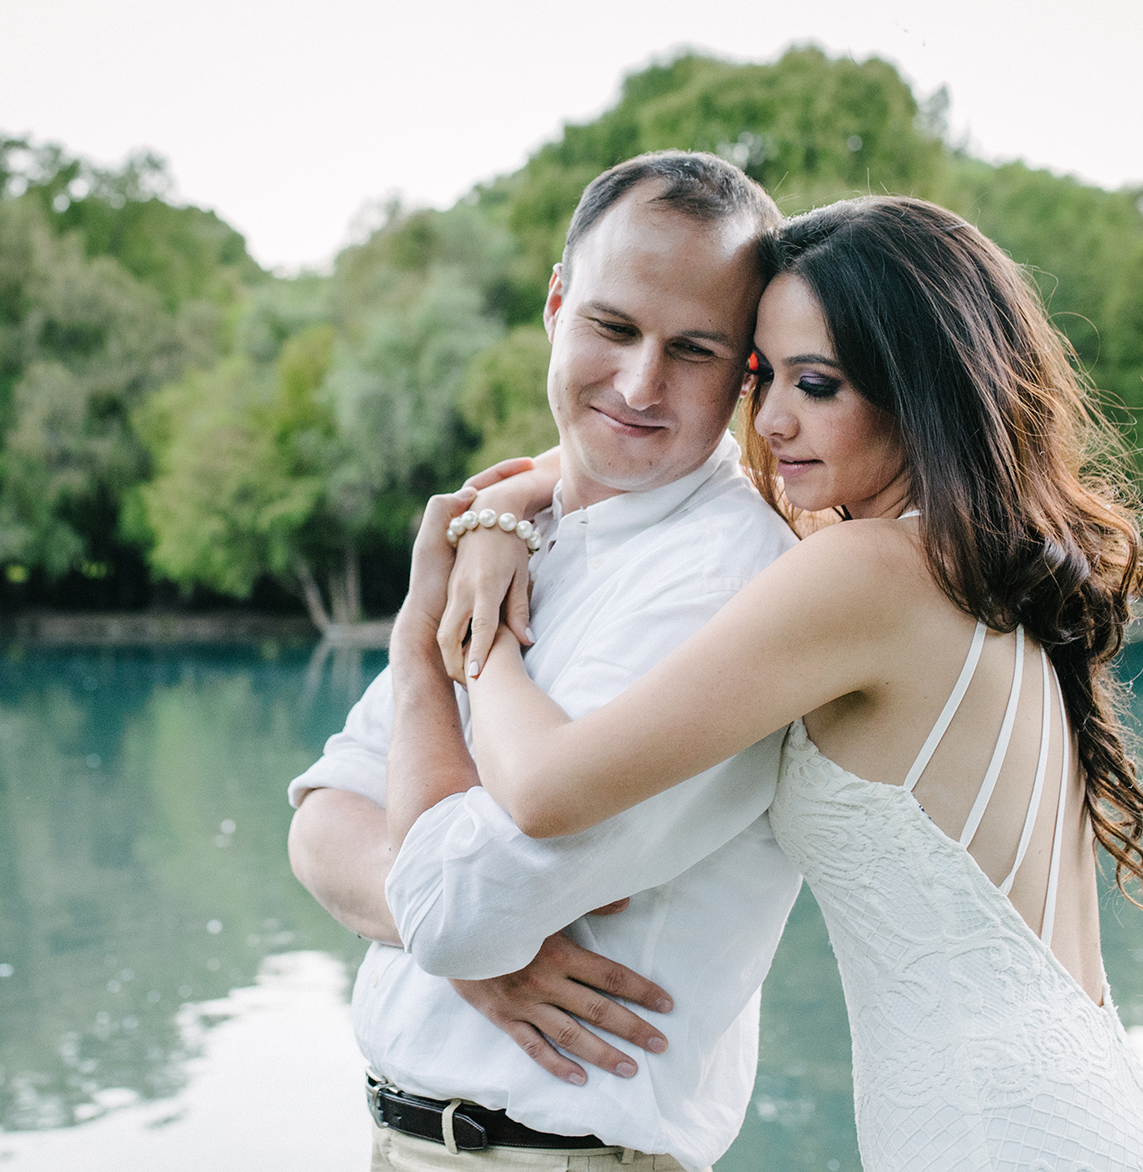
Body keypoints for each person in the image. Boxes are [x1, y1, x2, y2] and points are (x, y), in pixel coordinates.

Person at [397, 196, 1143, 1171]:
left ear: (921, 388)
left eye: (815, 383)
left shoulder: (865, 576)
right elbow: (607, 478)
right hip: (1076, 1116)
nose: (772, 420)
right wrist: (511, 514)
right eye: (759, 376)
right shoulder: (964, 573)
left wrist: (454, 630)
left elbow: (542, 786)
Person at [287, 151, 807, 1170]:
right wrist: (451, 938)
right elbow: (318, 821)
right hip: (403, 1142)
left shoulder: (727, 576)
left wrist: (417, 643)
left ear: (746, 371)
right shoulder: (524, 526)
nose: (639, 383)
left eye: (692, 350)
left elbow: (463, 912)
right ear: (556, 305)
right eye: (612, 327)